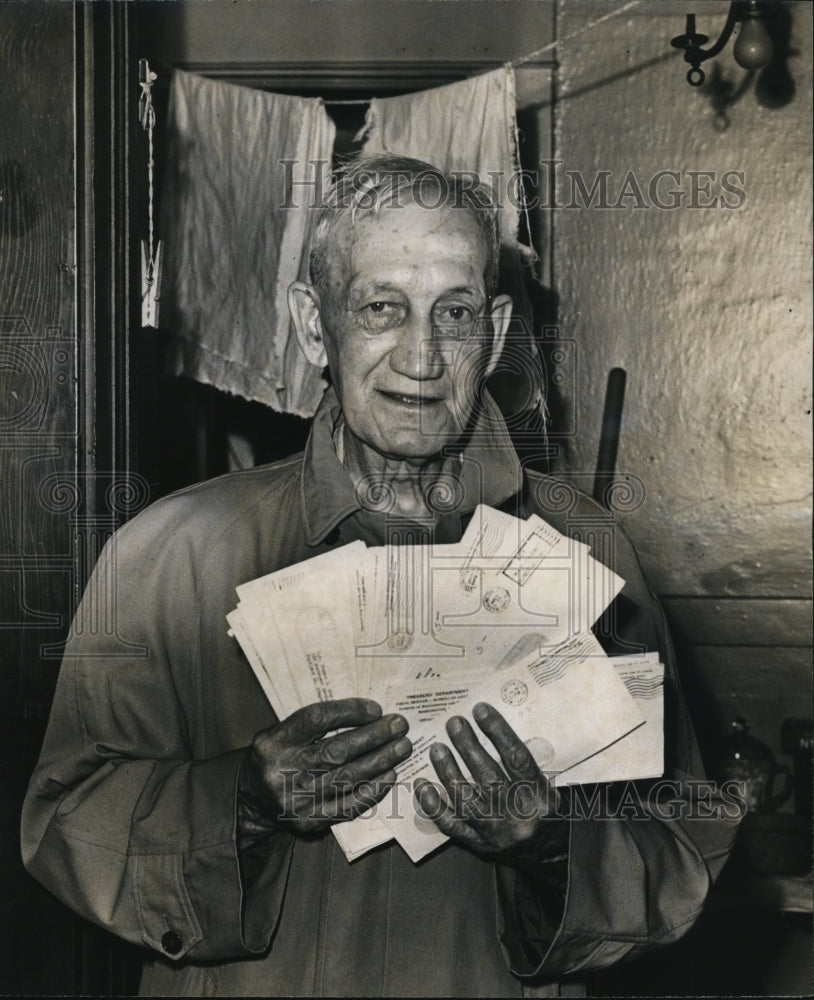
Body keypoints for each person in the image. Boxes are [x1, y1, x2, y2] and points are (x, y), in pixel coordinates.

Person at [22, 155, 741, 997]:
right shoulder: (171, 555)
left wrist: (551, 840)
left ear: (499, 329)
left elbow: (682, 843)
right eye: (381, 308)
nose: (423, 357)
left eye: (457, 312)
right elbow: (65, 821)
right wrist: (242, 804)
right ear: (313, 324)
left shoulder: (588, 555)